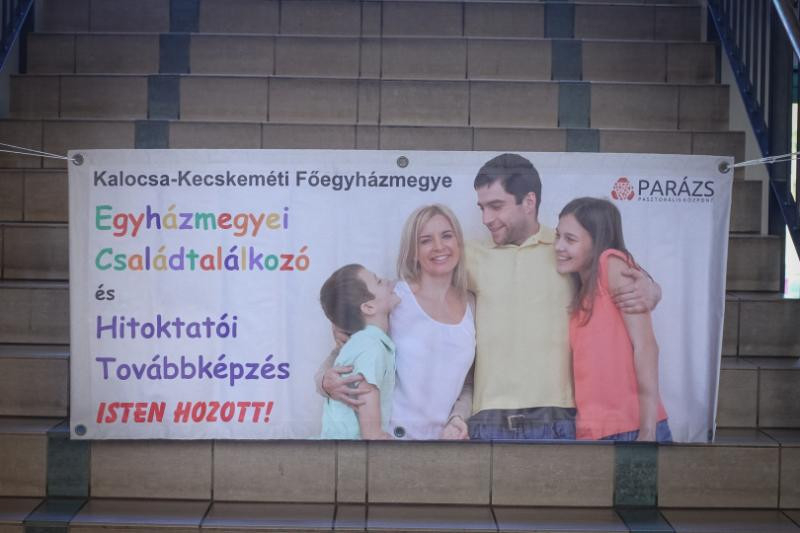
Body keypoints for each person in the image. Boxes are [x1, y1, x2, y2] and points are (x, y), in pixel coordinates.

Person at [464, 153, 660, 440]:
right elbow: (422, 277)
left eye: (496, 206)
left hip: (559, 420)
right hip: (489, 420)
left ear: (529, 202)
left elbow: (617, 269)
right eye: (482, 208)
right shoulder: (470, 255)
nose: (486, 219)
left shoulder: (566, 251)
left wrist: (652, 288)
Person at [319, 205, 476, 440]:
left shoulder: (472, 304)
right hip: (389, 443)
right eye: (425, 240)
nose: (439, 247)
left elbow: (470, 383)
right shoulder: (393, 297)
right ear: (413, 252)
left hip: (441, 445)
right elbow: (345, 356)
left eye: (446, 236)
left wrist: (458, 418)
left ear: (459, 242)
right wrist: (324, 382)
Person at [555, 197, 671, 442]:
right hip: (593, 432)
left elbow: (646, 347)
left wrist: (647, 431)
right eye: (558, 236)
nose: (558, 246)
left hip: (632, 429)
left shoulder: (611, 263)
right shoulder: (582, 289)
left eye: (570, 239)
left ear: (597, 242)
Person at [318, 264, 400, 440]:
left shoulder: (361, 342)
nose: (387, 281)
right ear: (369, 307)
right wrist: (375, 435)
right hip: (348, 447)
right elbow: (366, 390)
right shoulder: (371, 346)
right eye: (379, 281)